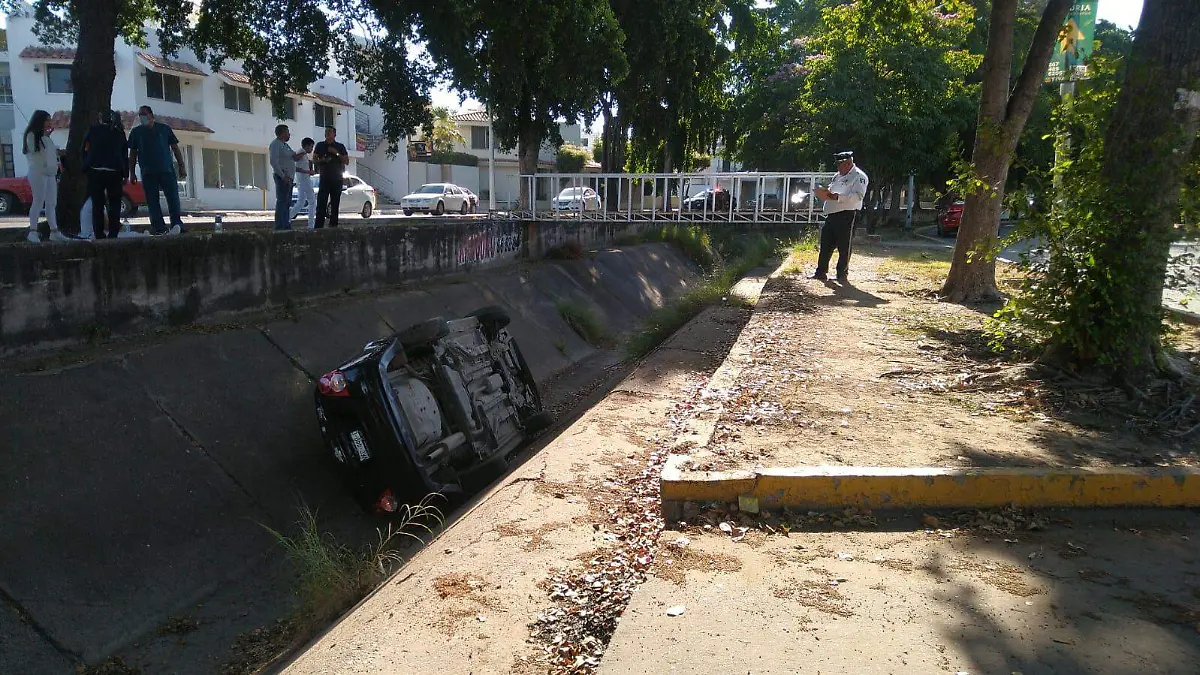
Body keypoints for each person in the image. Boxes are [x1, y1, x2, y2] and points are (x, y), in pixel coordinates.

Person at [128, 105, 187, 235]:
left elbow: (175, 148)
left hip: (167, 170)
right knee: (152, 201)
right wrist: (132, 173)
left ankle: (177, 224)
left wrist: (181, 166)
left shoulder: (164, 129)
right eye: (140, 114)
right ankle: (159, 227)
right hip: (148, 172)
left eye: (144, 114)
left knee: (172, 198)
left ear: (151, 115)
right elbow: (132, 154)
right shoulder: (136, 133)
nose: (142, 117)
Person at [811, 150, 869, 281]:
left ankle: (842, 274)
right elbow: (832, 190)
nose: (838, 168)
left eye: (840, 165)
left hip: (846, 214)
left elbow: (858, 196)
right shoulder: (837, 176)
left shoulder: (859, 176)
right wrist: (825, 192)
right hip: (832, 214)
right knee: (826, 244)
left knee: (844, 246)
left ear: (848, 164)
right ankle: (820, 272)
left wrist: (839, 197)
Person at [22, 110, 69, 243]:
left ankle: (54, 231)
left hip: (50, 173)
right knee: (38, 201)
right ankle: (33, 231)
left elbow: (52, 153)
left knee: (51, 203)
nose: (49, 122)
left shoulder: (46, 137)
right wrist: (44, 137)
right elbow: (36, 152)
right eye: (47, 120)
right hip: (38, 173)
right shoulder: (32, 135)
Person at [83, 110, 129, 240]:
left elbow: (85, 150)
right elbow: (124, 154)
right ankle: (113, 233)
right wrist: (125, 173)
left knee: (97, 203)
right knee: (114, 203)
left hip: (95, 170)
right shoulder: (118, 133)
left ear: (100, 118)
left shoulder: (93, 131)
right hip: (114, 172)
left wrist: (86, 166)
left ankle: (99, 233)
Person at [312, 125, 348, 229]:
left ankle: (333, 225)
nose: (327, 133)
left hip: (337, 179)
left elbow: (346, 161)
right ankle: (318, 226)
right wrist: (322, 160)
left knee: (335, 203)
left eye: (330, 132)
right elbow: (314, 160)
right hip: (324, 178)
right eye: (326, 131)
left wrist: (335, 153)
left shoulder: (340, 146)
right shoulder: (319, 145)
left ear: (334, 134)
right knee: (321, 203)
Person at [269, 124, 297, 231]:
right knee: (282, 201)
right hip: (282, 177)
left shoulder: (285, 145)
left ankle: (286, 224)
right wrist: (283, 176)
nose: (289, 134)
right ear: (282, 133)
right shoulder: (275, 144)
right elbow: (273, 162)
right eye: (287, 132)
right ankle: (280, 226)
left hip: (289, 178)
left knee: (287, 202)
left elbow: (292, 157)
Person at [290, 137, 317, 230]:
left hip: (302, 181)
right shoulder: (301, 153)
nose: (312, 149)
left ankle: (287, 219)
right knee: (312, 202)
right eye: (311, 147)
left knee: (300, 203)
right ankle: (311, 225)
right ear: (307, 146)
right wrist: (308, 172)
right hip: (304, 180)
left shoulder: (303, 154)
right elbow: (294, 166)